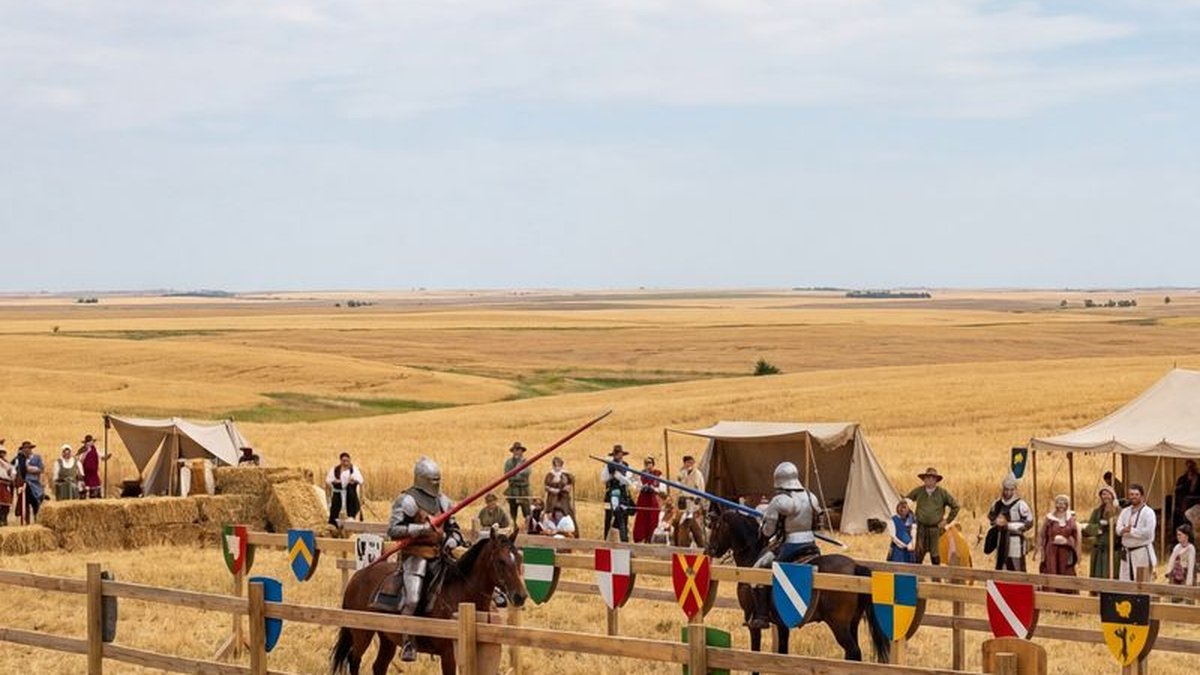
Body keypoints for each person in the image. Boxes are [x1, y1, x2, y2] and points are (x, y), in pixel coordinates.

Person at [377, 457, 464, 661]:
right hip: (415, 556)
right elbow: (393, 530)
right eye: (432, 480)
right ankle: (408, 641)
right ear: (422, 479)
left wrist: (452, 540)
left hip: (441, 555)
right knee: (413, 598)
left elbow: (455, 529)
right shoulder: (407, 500)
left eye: (438, 479)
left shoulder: (443, 500)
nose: (436, 484)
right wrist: (419, 528)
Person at [750, 461, 824, 629]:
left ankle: (761, 615)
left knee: (757, 569)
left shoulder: (780, 500)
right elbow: (818, 522)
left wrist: (763, 524)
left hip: (790, 545)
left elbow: (768, 532)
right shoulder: (810, 496)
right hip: (811, 543)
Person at [905, 467, 960, 565]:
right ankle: (916, 577)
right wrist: (911, 517)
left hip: (936, 530)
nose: (930, 480)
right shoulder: (919, 491)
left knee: (936, 556)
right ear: (924, 479)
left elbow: (956, 507)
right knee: (918, 555)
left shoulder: (942, 493)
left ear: (936, 480)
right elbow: (906, 502)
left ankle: (936, 579)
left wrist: (947, 521)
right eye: (927, 478)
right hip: (921, 529)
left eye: (932, 478)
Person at [986, 476, 1034, 571]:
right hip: (1001, 539)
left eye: (1011, 490)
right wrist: (996, 521)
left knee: (1016, 566)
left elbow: (1029, 522)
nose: (1008, 493)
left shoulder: (1021, 505)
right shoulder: (997, 504)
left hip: (1015, 539)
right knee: (1001, 566)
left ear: (1015, 490)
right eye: (1006, 490)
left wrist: (1008, 525)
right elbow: (991, 517)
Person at [1117, 484, 1158, 581]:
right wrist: (1123, 530)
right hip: (1126, 552)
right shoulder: (1125, 512)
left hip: (1141, 552)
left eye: (1136, 494)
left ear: (1142, 496)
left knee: (1141, 581)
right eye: (1131, 494)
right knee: (1125, 580)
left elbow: (1148, 533)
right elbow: (1118, 529)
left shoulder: (1148, 512)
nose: (1133, 497)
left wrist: (1131, 531)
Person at [1038, 495, 1080, 589]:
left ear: (1066, 505)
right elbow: (1042, 535)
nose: (1060, 505)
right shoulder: (1049, 518)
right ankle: (1051, 594)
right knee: (1051, 570)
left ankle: (1066, 596)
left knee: (1065, 571)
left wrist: (1067, 541)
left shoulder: (1070, 519)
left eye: (1063, 503)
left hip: (1066, 551)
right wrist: (1041, 551)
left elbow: (1075, 536)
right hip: (1051, 550)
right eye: (1058, 503)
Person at [1084, 485, 1121, 579]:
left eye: (1107, 494)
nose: (1105, 496)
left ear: (1112, 496)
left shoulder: (1120, 511)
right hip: (1100, 550)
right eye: (1103, 494)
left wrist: (1114, 524)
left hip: (1113, 550)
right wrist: (1099, 527)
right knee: (1098, 576)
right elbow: (1089, 528)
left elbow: (1122, 527)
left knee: (1112, 574)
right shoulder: (1097, 512)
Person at [601, 445, 636, 542]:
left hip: (624, 495)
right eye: (616, 454)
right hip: (612, 494)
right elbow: (603, 478)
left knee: (623, 518)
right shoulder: (609, 465)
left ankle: (623, 540)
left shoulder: (625, 465)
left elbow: (628, 480)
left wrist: (620, 477)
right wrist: (612, 474)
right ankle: (609, 540)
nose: (619, 455)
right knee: (610, 518)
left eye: (620, 453)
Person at [632, 456, 667, 543]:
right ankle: (640, 538)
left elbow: (663, 488)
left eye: (650, 463)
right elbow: (635, 485)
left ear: (653, 464)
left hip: (653, 499)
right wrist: (642, 487)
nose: (648, 465)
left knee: (652, 518)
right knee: (641, 519)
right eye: (646, 463)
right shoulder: (640, 474)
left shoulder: (658, 474)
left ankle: (651, 538)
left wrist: (654, 489)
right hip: (643, 499)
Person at [675, 455, 707, 547]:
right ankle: (699, 545)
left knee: (686, 523)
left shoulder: (697, 474)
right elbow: (678, 487)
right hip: (684, 504)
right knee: (689, 524)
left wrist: (699, 500)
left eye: (692, 462)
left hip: (693, 503)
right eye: (688, 462)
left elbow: (701, 488)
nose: (690, 464)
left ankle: (685, 545)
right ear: (685, 463)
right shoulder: (682, 473)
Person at [326, 452, 364, 527]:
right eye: (344, 461)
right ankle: (333, 525)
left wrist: (361, 496)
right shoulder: (335, 470)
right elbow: (328, 482)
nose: (346, 463)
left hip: (350, 496)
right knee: (334, 513)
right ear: (340, 461)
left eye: (347, 461)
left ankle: (351, 518)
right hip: (338, 495)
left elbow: (361, 482)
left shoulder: (354, 470)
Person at [14, 441, 46, 523]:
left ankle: (37, 520)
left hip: (34, 483)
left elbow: (41, 469)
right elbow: (15, 469)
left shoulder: (37, 457)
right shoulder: (20, 459)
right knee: (24, 504)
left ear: (31, 449)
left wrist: (30, 469)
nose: (26, 450)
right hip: (24, 484)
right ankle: (26, 522)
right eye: (25, 448)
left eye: (28, 448)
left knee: (36, 502)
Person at [503, 442, 532, 522]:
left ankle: (528, 527)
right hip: (513, 490)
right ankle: (514, 526)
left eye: (519, 450)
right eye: (515, 450)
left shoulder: (526, 462)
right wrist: (518, 475)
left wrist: (515, 475)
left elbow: (527, 473)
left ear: (522, 451)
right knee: (513, 510)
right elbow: (507, 474)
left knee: (526, 510)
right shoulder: (508, 462)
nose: (517, 452)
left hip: (524, 490)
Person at [1166, 524, 1196, 592]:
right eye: (1177, 535)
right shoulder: (1177, 547)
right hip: (1176, 573)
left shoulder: (1191, 548)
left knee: (1186, 595)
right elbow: (1172, 560)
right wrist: (1168, 573)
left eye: (1180, 535)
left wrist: (1189, 582)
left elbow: (1191, 566)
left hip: (1185, 573)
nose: (1178, 537)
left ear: (1186, 536)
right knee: (1175, 595)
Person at [77, 434, 108, 499]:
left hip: (94, 473)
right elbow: (79, 460)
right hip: (86, 474)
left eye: (90, 441)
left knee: (95, 487)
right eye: (87, 442)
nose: (89, 443)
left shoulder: (96, 450)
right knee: (86, 488)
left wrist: (106, 457)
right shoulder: (82, 451)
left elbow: (102, 457)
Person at [1174, 460, 1200, 526]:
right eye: (1188, 467)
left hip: (1197, 500)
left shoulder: (1199, 478)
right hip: (1185, 500)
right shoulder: (1183, 478)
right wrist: (1188, 481)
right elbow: (1178, 490)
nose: (1190, 469)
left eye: (1191, 467)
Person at [0, 443, 14, 525]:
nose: (2, 454)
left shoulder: (7, 463)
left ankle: (4, 520)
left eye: (3, 452)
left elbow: (12, 473)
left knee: (6, 505)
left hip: (6, 485)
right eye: (1, 452)